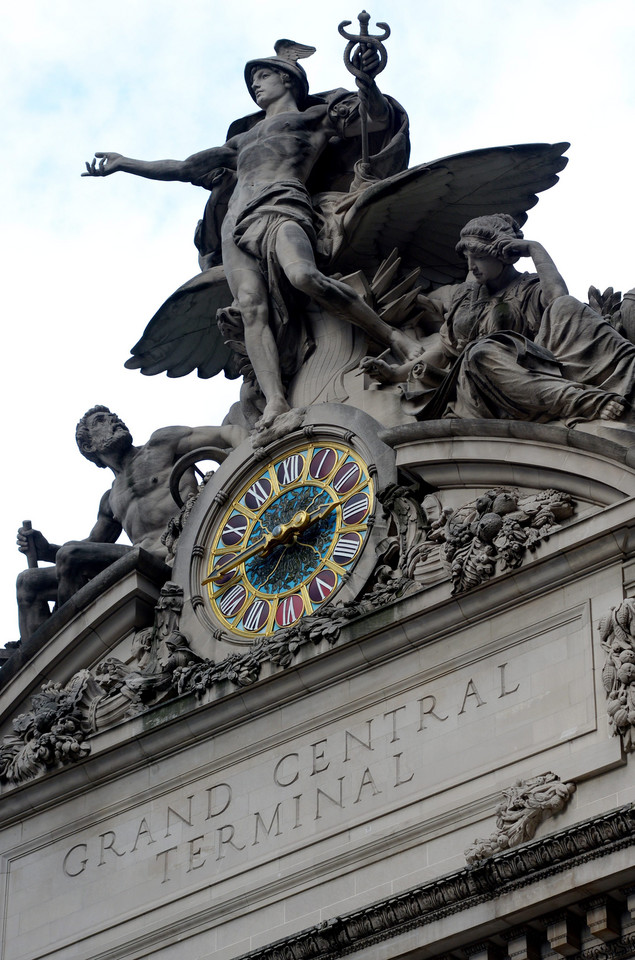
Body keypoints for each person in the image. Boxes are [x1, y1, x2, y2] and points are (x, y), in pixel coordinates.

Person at [83, 42, 421, 429]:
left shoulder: (315, 117)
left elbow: (374, 120)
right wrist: (126, 164)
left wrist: (366, 80)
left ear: (287, 79)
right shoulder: (241, 141)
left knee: (304, 277)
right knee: (251, 311)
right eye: (252, 81)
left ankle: (395, 339)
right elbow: (183, 167)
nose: (255, 87)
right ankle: (276, 400)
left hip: (282, 204)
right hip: (236, 225)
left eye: (262, 76)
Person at [361, 214, 633, 423]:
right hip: (484, 380)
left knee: (566, 306)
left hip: (534, 369)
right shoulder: (466, 299)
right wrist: (395, 372)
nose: (471, 267)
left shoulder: (527, 289)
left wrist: (535, 249)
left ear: (503, 255)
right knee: (480, 353)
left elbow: (558, 298)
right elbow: (445, 351)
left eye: (478, 257)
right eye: (468, 258)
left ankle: (621, 376)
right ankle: (581, 400)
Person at [16, 406, 246, 643]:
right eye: (100, 421)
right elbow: (92, 548)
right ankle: (36, 664)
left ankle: (62, 649)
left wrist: (254, 458)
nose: (114, 420)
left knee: (70, 554)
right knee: (27, 582)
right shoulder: (111, 498)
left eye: (113, 416)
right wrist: (46, 550)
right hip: (139, 561)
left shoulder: (160, 444)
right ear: (89, 446)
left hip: (182, 547)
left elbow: (227, 433)